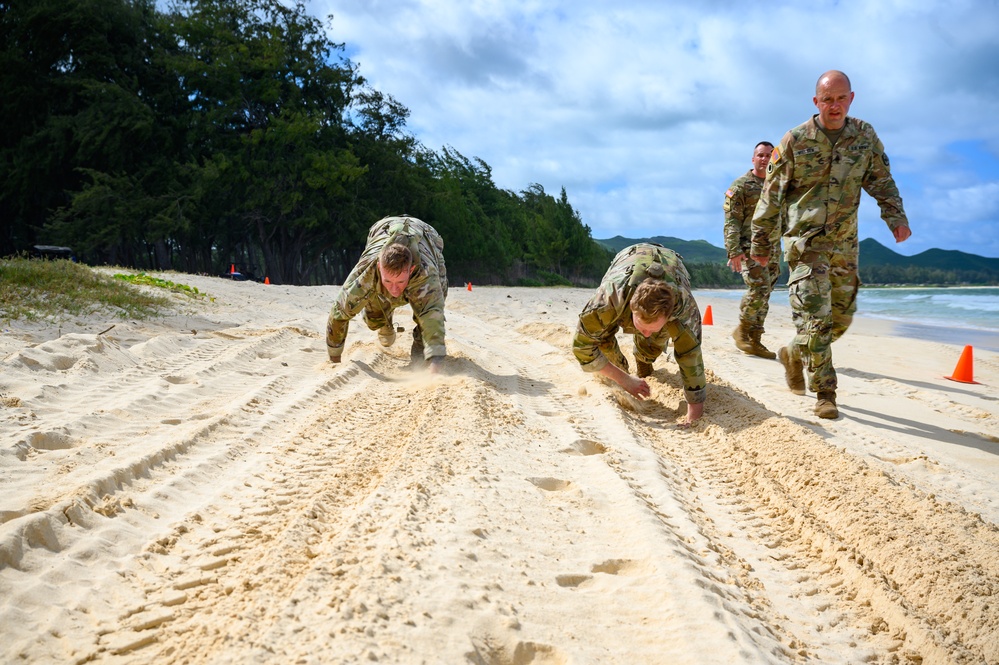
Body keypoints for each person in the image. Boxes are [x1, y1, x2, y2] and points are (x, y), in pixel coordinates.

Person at [750, 70, 912, 419]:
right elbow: (771, 195)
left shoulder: (865, 137)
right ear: (816, 102)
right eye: (827, 99)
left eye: (841, 98)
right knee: (817, 318)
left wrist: (895, 218)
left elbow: (881, 180)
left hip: (845, 245)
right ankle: (826, 392)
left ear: (851, 99)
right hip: (805, 243)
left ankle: (793, 352)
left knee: (840, 318)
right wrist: (760, 242)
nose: (834, 106)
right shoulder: (795, 141)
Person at [573, 243, 707, 426]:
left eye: (653, 327)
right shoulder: (610, 298)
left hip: (672, 267)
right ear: (631, 308)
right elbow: (582, 346)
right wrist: (624, 379)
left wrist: (694, 415)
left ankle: (644, 362)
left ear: (669, 316)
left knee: (652, 345)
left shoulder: (684, 308)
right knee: (603, 342)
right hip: (626, 260)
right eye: (641, 326)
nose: (644, 333)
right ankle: (622, 371)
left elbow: (690, 356)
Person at [326, 215, 448, 372]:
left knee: (434, 302)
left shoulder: (425, 272)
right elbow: (338, 314)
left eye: (401, 282)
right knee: (373, 320)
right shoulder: (366, 271)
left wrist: (434, 364)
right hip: (382, 228)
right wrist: (334, 359)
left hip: (427, 235)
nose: (395, 290)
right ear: (378, 267)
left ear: (411, 270)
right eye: (389, 281)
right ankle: (384, 321)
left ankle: (420, 353)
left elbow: (432, 316)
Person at [724, 141, 783, 359]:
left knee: (765, 293)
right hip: (749, 249)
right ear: (753, 159)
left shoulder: (777, 186)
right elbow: (731, 221)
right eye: (760, 155)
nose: (765, 159)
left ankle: (755, 340)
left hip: (774, 250)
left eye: (769, 155)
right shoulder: (741, 186)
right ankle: (742, 330)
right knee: (758, 289)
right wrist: (734, 250)